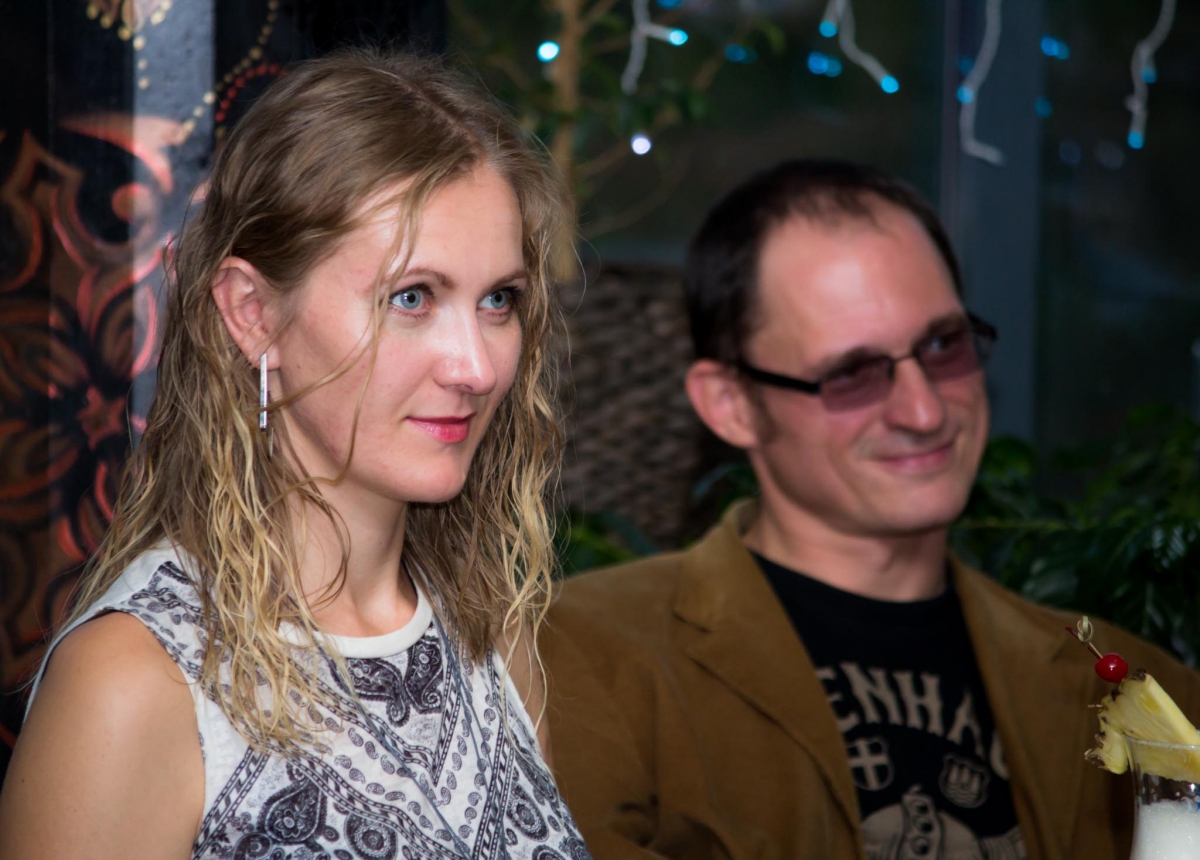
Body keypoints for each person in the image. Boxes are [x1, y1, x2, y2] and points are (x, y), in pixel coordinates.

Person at [0, 49, 590, 860]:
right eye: (411, 298)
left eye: (499, 300)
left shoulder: (490, 637)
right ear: (252, 313)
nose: (477, 368)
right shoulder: (134, 681)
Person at [539, 159, 1200, 860]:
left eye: (943, 345)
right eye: (851, 374)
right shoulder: (581, 659)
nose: (924, 411)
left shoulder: (1137, 690)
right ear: (732, 404)